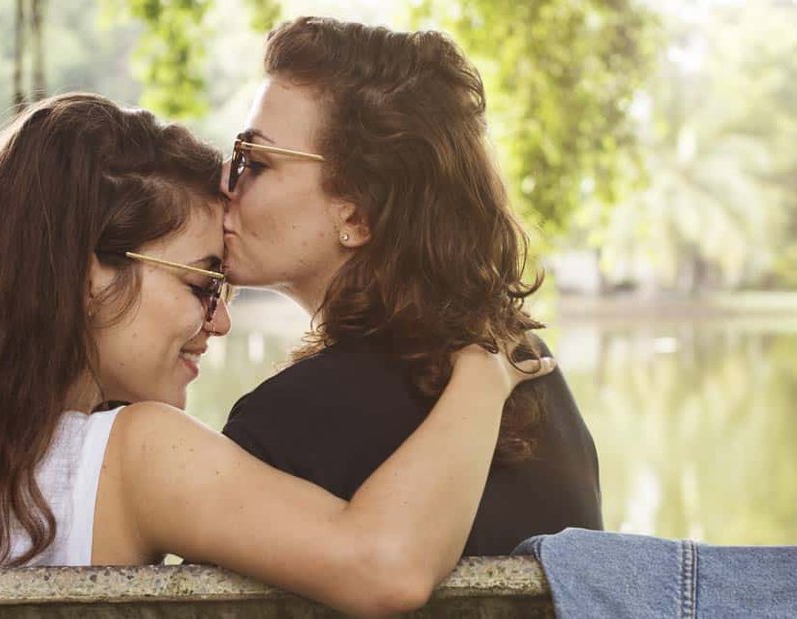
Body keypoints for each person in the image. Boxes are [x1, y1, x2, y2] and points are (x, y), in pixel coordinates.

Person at [0, 93, 553, 617]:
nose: (218, 323)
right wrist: (485, 370)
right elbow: (386, 564)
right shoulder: (133, 455)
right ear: (88, 276)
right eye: (202, 282)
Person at [219, 16, 603, 556]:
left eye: (253, 161)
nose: (224, 185)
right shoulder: (529, 372)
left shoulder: (287, 420)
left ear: (358, 214)